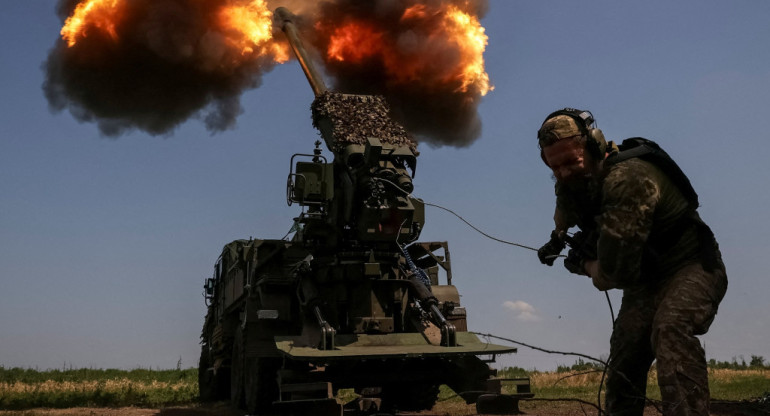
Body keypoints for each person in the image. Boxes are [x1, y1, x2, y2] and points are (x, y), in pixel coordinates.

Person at [535, 108, 728, 416]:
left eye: (571, 162)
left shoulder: (628, 179)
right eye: (555, 167)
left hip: (691, 266)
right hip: (646, 280)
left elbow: (613, 274)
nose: (563, 173)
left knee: (670, 329)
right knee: (626, 353)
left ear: (594, 145)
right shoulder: (572, 179)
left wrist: (583, 264)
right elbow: (565, 212)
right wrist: (557, 241)